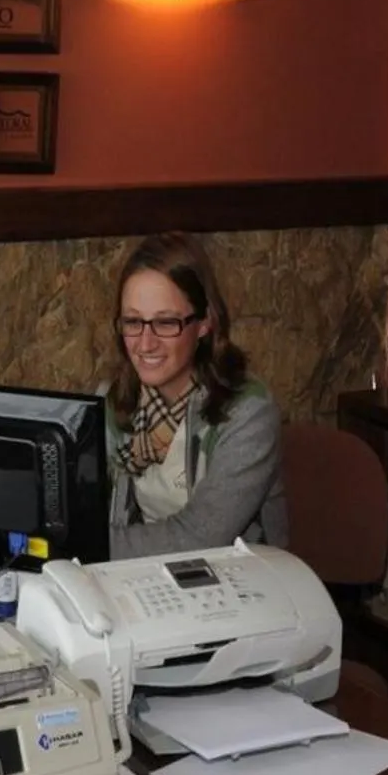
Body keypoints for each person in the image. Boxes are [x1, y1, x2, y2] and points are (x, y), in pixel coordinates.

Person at [104, 232, 287, 559]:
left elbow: (199, 537)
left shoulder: (249, 413)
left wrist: (89, 544)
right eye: (133, 322)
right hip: (141, 579)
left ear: (204, 323)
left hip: (236, 588)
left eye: (165, 323)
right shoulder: (114, 400)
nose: (145, 344)